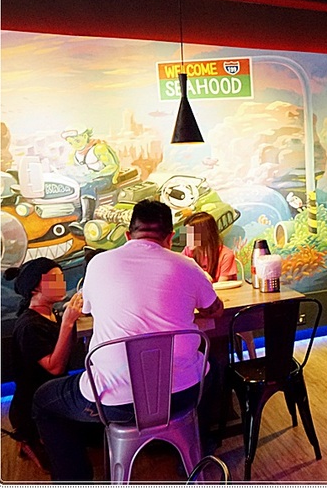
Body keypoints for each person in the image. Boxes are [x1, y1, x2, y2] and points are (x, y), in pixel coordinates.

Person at [32, 200, 224, 481]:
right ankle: (196, 452)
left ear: (127, 235)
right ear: (170, 237)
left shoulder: (99, 263)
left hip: (114, 405)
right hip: (183, 396)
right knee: (212, 369)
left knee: (43, 400)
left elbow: (88, 309)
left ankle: (76, 480)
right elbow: (215, 310)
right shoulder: (187, 265)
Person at [4, 258, 83, 471]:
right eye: (54, 279)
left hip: (57, 391)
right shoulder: (29, 325)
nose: (62, 284)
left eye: (62, 278)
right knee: (58, 464)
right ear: (35, 288)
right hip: (35, 404)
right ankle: (28, 437)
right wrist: (68, 322)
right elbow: (55, 367)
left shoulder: (51, 313)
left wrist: (70, 319)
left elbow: (66, 350)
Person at [61, 128, 121, 235]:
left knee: (88, 186)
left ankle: (86, 220)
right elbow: (69, 168)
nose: (75, 145)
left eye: (77, 141)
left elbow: (112, 166)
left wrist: (96, 175)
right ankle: (76, 218)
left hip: (104, 179)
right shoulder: (74, 154)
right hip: (85, 179)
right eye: (71, 143)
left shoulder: (99, 148)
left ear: (85, 136)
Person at [183, 211, 237, 282]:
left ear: (205, 234)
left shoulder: (226, 255)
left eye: (191, 234)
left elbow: (222, 285)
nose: (187, 238)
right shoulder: (187, 251)